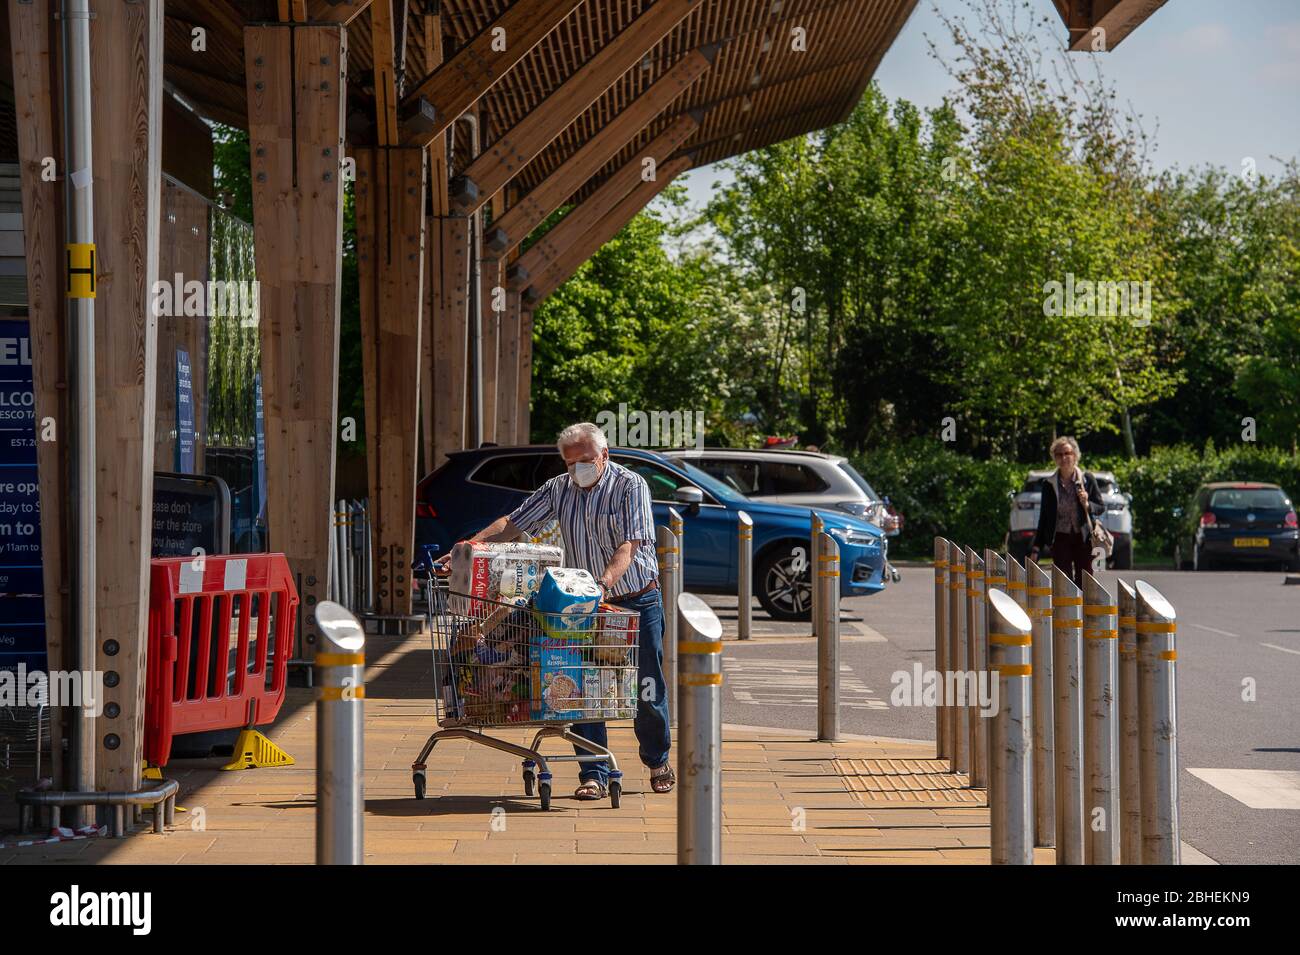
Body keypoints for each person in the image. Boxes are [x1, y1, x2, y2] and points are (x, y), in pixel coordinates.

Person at [435, 422, 673, 800]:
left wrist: (605, 583)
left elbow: (629, 545)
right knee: (582, 687)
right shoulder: (559, 489)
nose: (577, 468)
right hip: (578, 603)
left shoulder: (630, 486)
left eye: (585, 460)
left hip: (632, 597)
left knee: (646, 685)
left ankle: (657, 758)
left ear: (604, 455)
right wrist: (469, 547)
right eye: (569, 462)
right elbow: (512, 524)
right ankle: (593, 772)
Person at [1028, 436, 1105, 587]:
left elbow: (1100, 507)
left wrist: (1087, 504)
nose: (1063, 458)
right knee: (1064, 584)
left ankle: (1084, 610)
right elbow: (1044, 517)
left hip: (1084, 539)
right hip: (1060, 540)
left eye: (1067, 453)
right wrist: (1036, 547)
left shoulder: (1087, 479)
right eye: (1059, 454)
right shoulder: (1049, 484)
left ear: (1075, 456)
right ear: (1054, 458)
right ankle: (1068, 611)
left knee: (1086, 582)